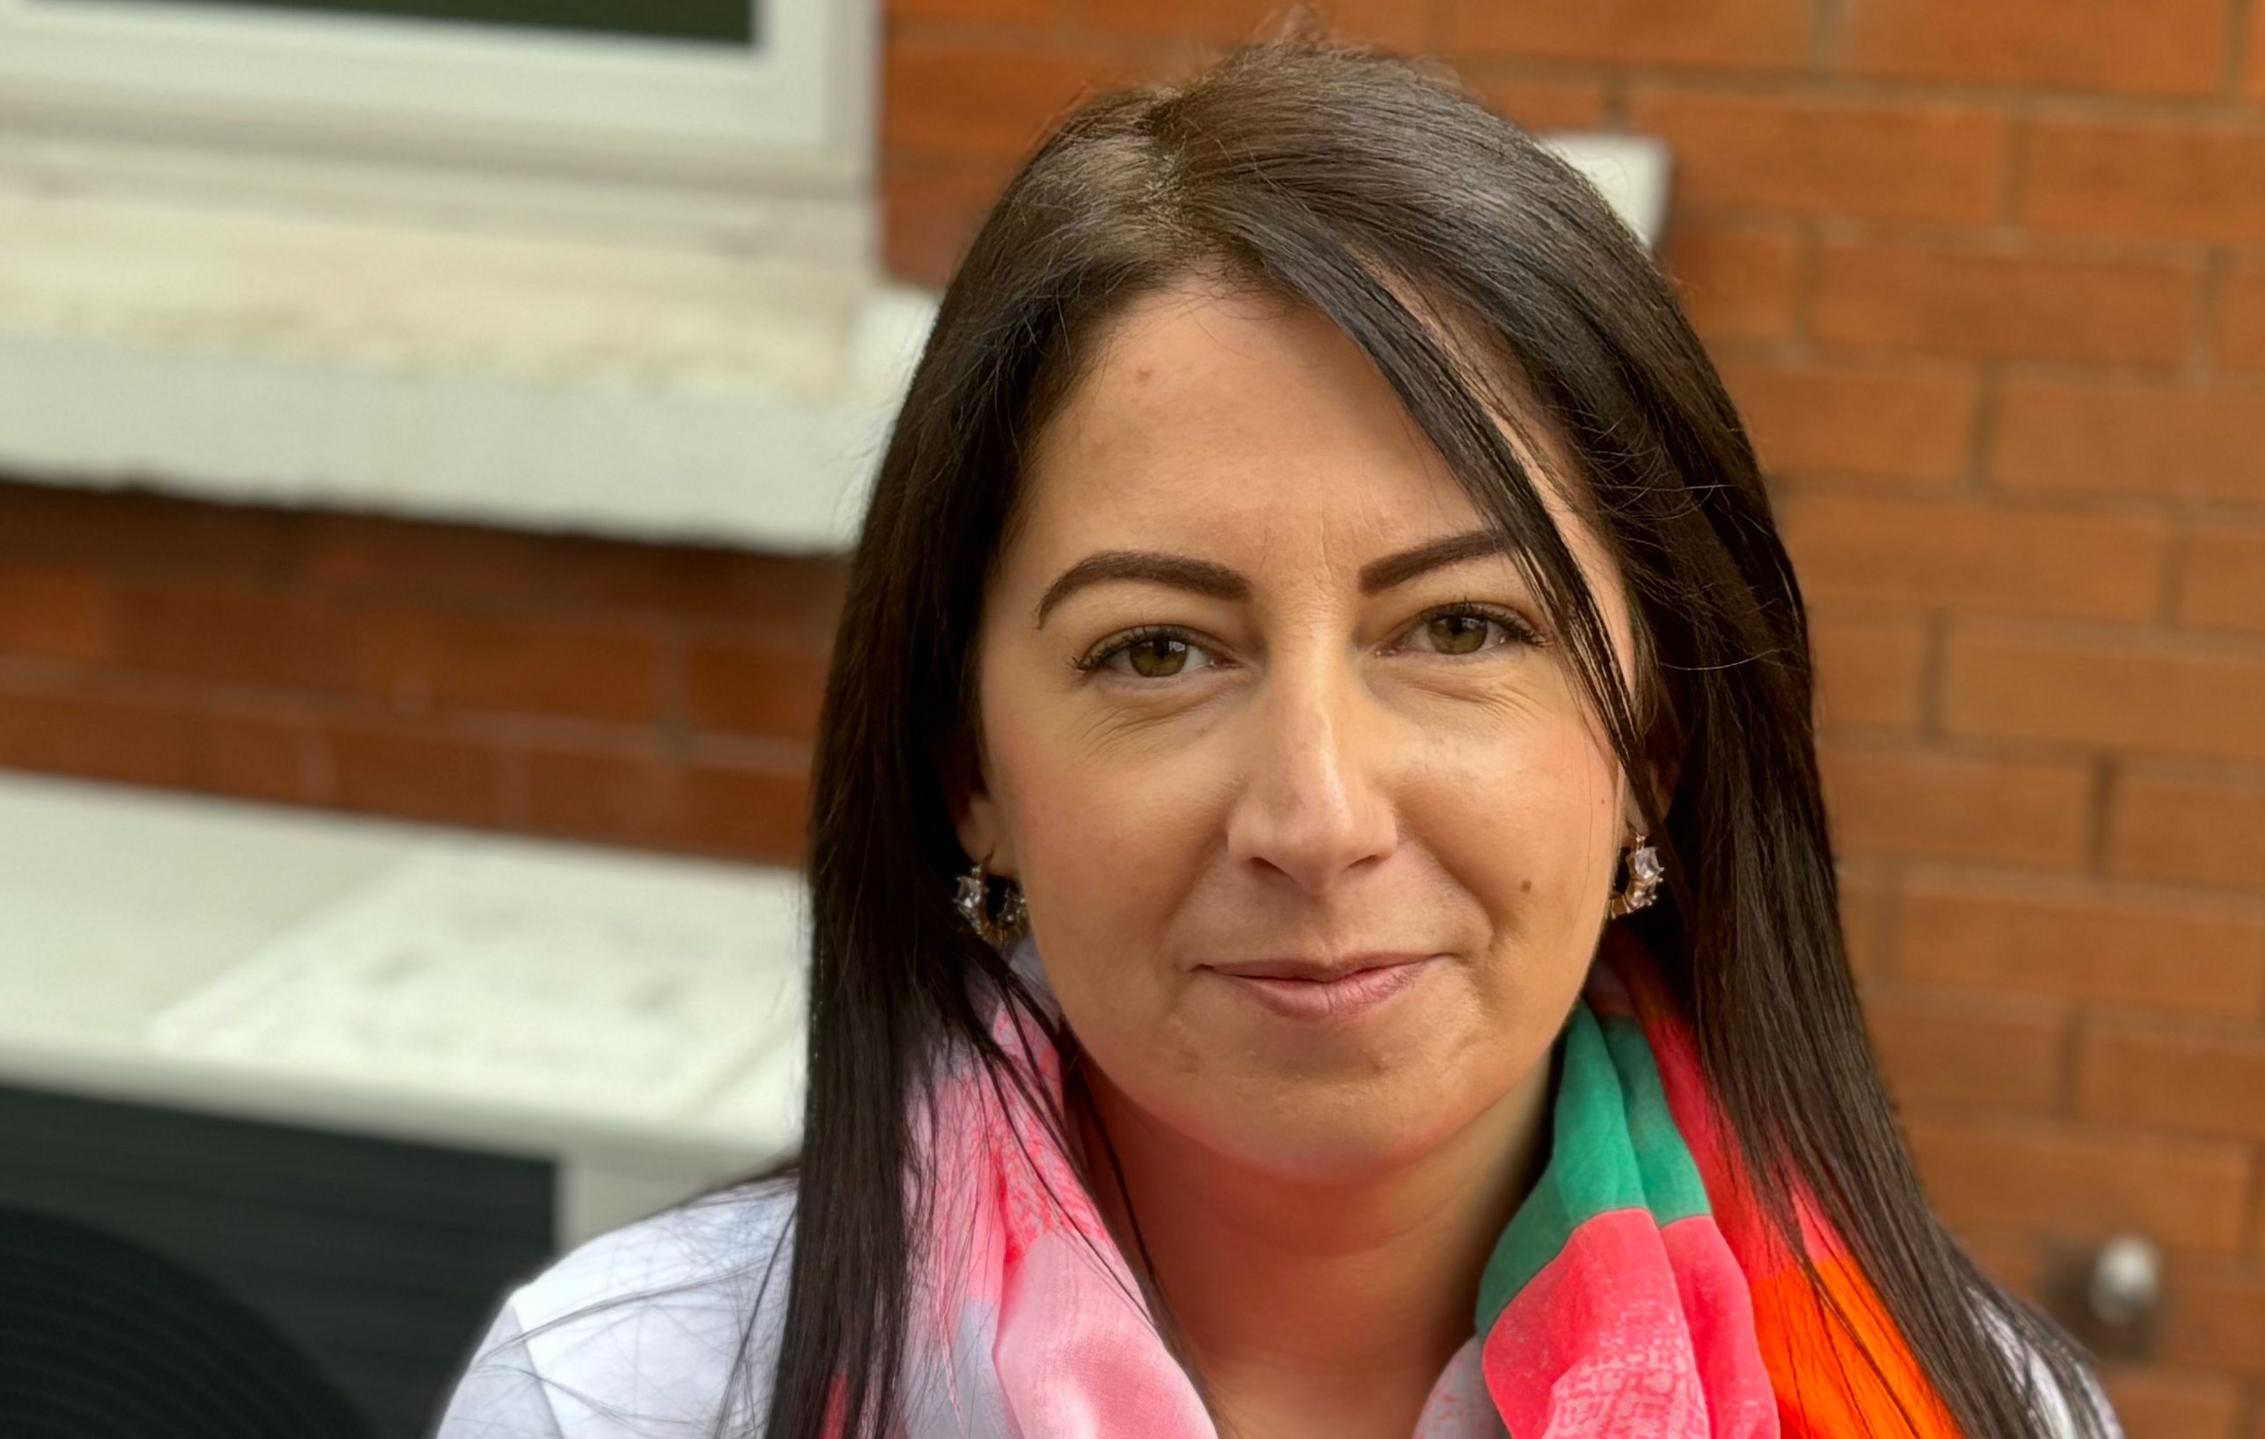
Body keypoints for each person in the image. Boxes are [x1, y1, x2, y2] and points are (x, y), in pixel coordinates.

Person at [433, 20, 2124, 1439]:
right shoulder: (622, 1405)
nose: (1316, 817)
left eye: (1464, 627)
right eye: (1157, 650)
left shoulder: (1976, 1409)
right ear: (974, 785)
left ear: (1656, 750)